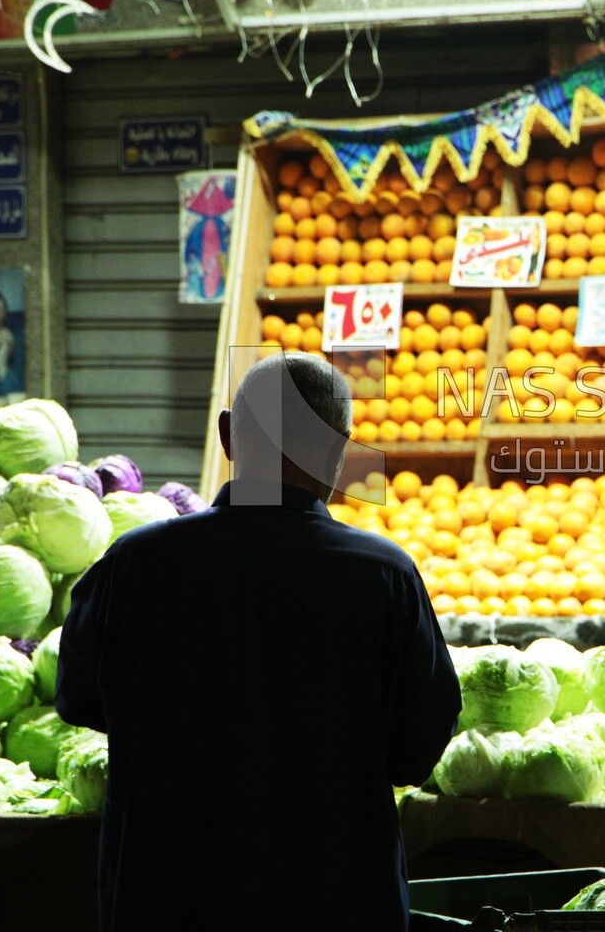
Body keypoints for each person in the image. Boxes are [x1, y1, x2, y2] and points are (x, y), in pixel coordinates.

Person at [56, 352, 460, 931]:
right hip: (337, 898)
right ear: (338, 450)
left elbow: (78, 699)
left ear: (226, 435)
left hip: (166, 894)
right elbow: (418, 748)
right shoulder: (384, 576)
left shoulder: (133, 565)